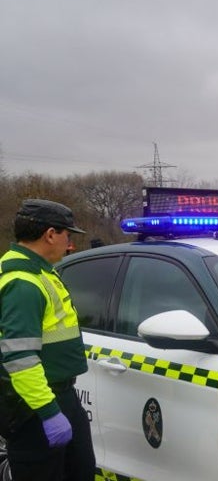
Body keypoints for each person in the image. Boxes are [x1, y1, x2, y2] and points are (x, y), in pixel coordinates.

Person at [0, 199, 94, 480]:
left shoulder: (40, 273)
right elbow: (20, 359)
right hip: (34, 407)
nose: (71, 245)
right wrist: (48, 412)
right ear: (50, 234)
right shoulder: (23, 283)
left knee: (80, 470)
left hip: (58, 396)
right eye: (68, 235)